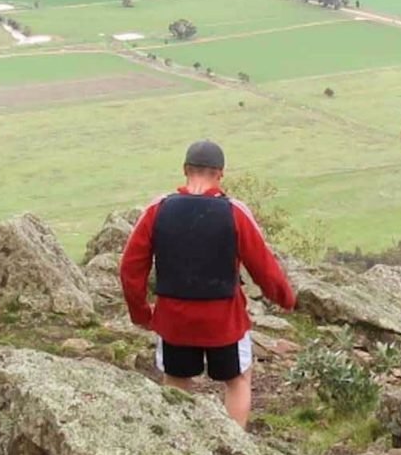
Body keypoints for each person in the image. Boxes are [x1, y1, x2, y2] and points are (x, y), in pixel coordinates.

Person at [120, 140, 296, 425]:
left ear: (185, 170)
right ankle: (236, 444)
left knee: (176, 381)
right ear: (220, 174)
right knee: (238, 379)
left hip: (174, 320)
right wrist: (286, 298)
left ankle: (182, 444)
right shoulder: (234, 212)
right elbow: (263, 265)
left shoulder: (158, 210)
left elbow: (130, 266)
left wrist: (140, 313)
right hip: (224, 320)